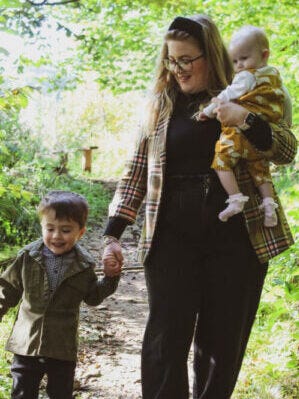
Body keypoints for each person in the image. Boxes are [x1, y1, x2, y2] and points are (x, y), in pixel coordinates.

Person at [102, 14, 297, 399]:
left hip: (236, 238)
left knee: (220, 347)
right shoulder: (162, 104)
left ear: (212, 55)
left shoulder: (247, 91)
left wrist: (247, 120)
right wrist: (112, 234)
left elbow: (286, 150)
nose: (177, 69)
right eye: (171, 60)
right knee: (164, 340)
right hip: (171, 234)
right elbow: (136, 172)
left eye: (187, 59)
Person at [0, 190, 121, 399]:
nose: (56, 236)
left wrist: (110, 278)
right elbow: (7, 289)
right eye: (50, 228)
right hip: (27, 343)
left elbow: (93, 297)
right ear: (42, 227)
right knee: (22, 392)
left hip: (62, 346)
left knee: (61, 393)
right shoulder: (28, 257)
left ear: (80, 232)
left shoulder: (83, 266)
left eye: (66, 230)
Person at [197, 25, 292, 227]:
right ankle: (269, 206)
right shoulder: (273, 78)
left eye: (243, 59)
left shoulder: (245, 78)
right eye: (235, 61)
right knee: (260, 170)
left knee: (221, 160)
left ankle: (236, 199)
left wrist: (210, 111)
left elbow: (288, 151)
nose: (239, 65)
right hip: (196, 226)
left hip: (246, 232)